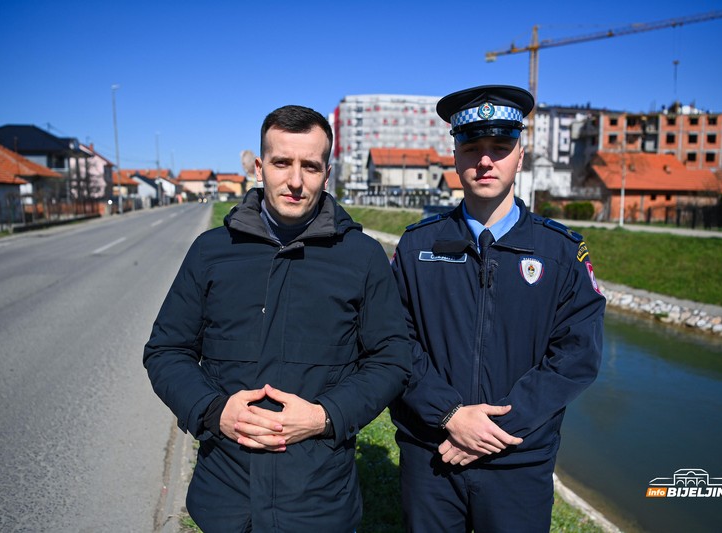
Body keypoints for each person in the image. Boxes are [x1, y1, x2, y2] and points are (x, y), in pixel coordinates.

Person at [144, 105, 411, 532]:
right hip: (226, 498)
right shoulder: (211, 251)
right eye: (281, 162)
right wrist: (214, 411)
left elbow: (393, 357)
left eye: (310, 165)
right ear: (258, 166)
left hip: (319, 502)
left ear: (327, 173)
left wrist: (326, 416)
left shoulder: (361, 257)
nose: (295, 180)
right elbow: (166, 351)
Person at [390, 85, 606, 532]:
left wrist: (494, 430)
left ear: (520, 156)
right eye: (472, 146)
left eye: (500, 147)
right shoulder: (416, 247)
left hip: (517, 461)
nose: (486, 160)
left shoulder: (561, 251)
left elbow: (576, 356)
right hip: (432, 455)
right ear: (454, 154)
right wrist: (450, 415)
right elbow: (393, 342)